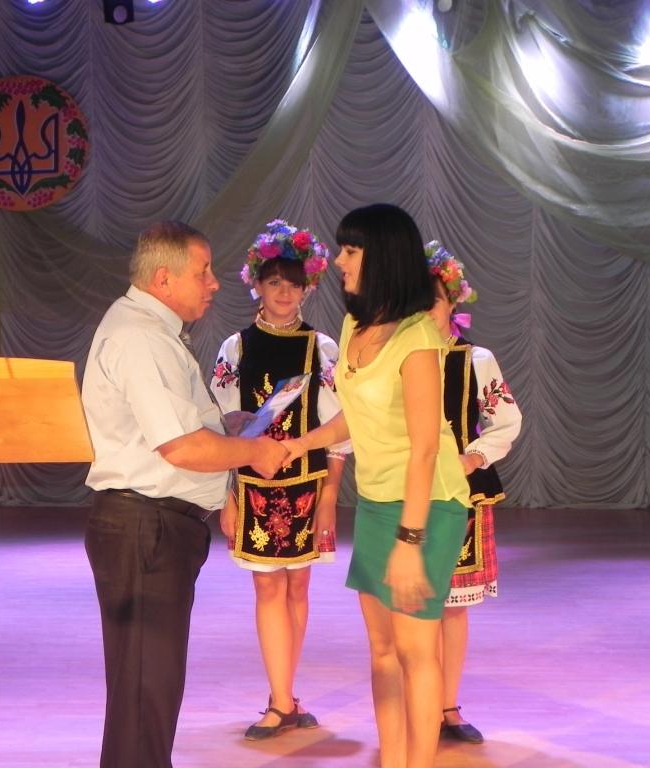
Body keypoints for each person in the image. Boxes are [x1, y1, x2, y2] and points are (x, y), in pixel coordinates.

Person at [81, 220, 289, 768]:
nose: (214, 282)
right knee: (145, 691)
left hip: (151, 526)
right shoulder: (142, 338)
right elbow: (180, 446)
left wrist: (228, 427)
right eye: (203, 272)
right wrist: (254, 452)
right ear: (164, 279)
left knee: (147, 690)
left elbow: (177, 430)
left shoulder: (151, 330)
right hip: (145, 526)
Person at [281, 203, 470, 768]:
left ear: (381, 255)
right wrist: (299, 444)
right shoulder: (355, 326)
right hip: (377, 502)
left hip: (427, 505)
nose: (338, 261)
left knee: (415, 650)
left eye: (350, 250)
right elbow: (354, 417)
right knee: (383, 651)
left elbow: (425, 447)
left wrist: (410, 543)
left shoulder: (417, 337)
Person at [209, 219, 349, 739]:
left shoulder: (322, 349)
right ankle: (280, 700)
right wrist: (227, 496)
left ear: (307, 288)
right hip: (253, 489)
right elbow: (222, 427)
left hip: (308, 487)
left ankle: (285, 694)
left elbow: (340, 427)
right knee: (268, 588)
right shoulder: (236, 349)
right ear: (257, 286)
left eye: (293, 284)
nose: (284, 293)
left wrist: (330, 496)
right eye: (274, 283)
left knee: (299, 587)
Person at [424, 240, 522, 744]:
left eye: (433, 301)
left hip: (460, 494)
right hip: (406, 494)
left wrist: (472, 458)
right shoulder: (393, 361)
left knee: (451, 604)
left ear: (452, 303)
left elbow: (505, 419)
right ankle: (418, 704)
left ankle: (447, 706)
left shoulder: (475, 359)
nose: (425, 311)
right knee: (412, 603)